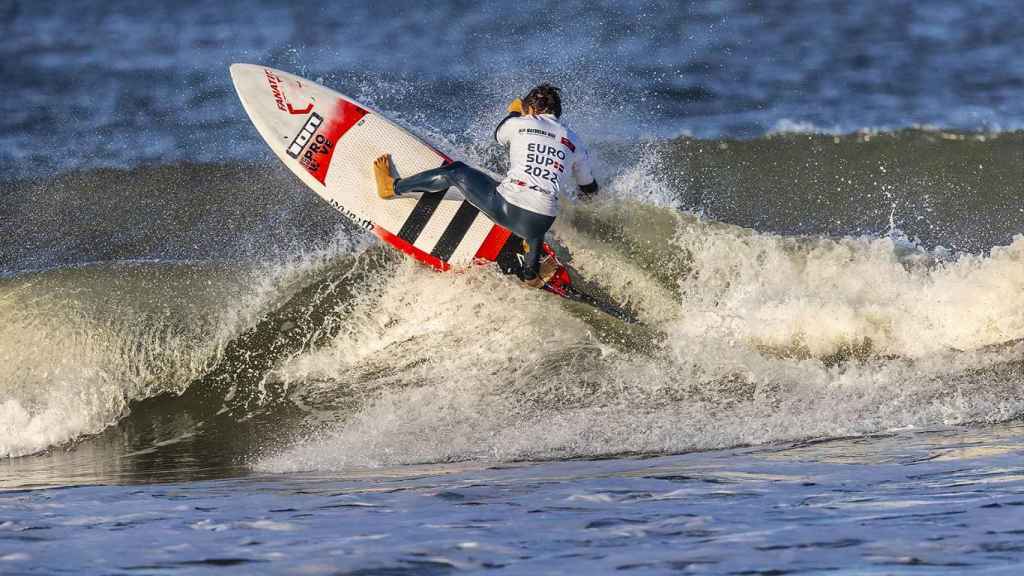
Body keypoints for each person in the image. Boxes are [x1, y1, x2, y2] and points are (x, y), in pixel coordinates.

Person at [373, 83, 598, 288]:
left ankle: (393, 187)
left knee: (456, 171)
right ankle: (530, 272)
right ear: (557, 114)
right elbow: (589, 188)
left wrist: (513, 111)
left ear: (529, 110)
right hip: (542, 220)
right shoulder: (575, 141)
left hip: (509, 208)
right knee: (532, 196)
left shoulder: (519, 122)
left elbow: (499, 136)